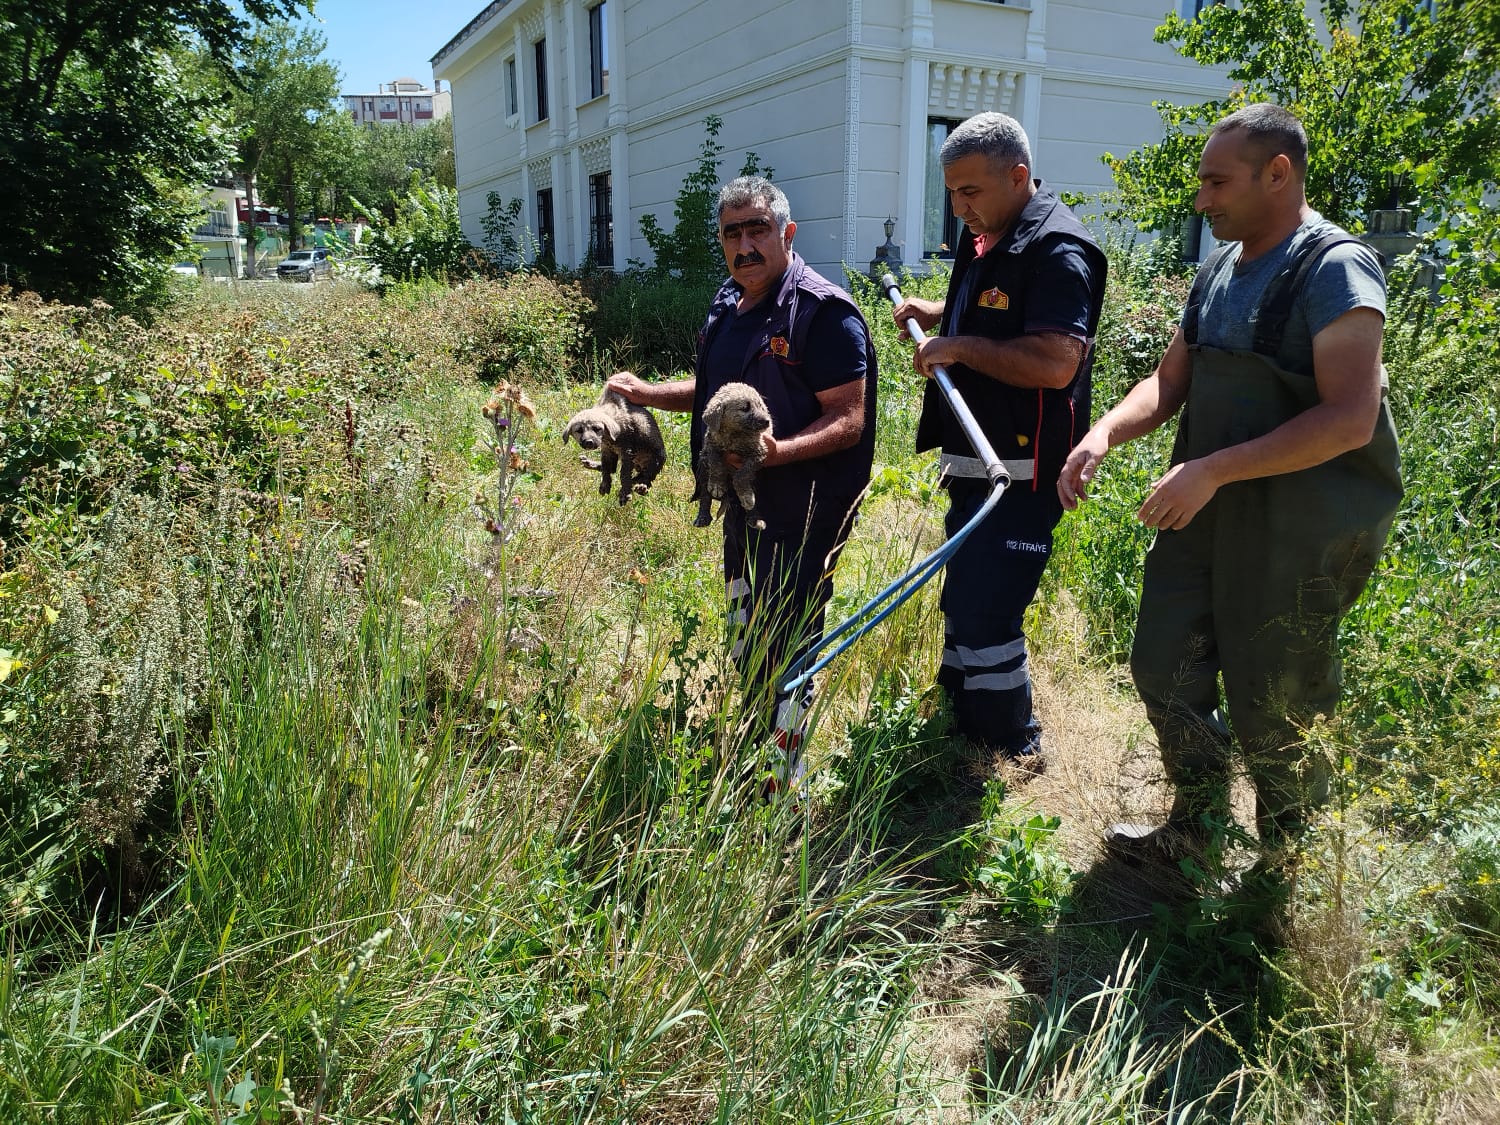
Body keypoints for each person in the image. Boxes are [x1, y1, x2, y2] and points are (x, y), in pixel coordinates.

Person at [1057, 103, 1402, 872]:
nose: (1202, 200)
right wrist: (1104, 432)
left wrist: (1212, 469)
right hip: (1201, 513)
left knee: (1277, 696)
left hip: (1296, 524)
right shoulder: (1219, 269)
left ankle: (1287, 873)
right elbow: (1168, 380)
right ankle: (1199, 823)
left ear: (1277, 173)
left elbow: (1350, 418)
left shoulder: (1335, 268)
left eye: (1217, 182)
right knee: (1161, 662)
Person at [607, 175, 877, 793]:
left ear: (787, 232)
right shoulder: (728, 307)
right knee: (747, 623)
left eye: (758, 229)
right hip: (742, 503)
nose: (745, 245)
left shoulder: (823, 313)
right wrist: (649, 393)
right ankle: (761, 743)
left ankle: (784, 781)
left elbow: (849, 420)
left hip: (807, 505)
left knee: (791, 633)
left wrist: (775, 453)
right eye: (733, 233)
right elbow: (712, 398)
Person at [891, 112, 1106, 766]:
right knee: (964, 595)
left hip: (1018, 468)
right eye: (951, 193)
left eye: (971, 192)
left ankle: (1012, 748)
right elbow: (989, 306)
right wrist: (936, 314)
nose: (959, 208)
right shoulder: (986, 233)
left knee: (989, 611)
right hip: (975, 462)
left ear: (1019, 176)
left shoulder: (1059, 250)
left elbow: (1052, 360)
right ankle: (962, 716)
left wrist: (953, 345)